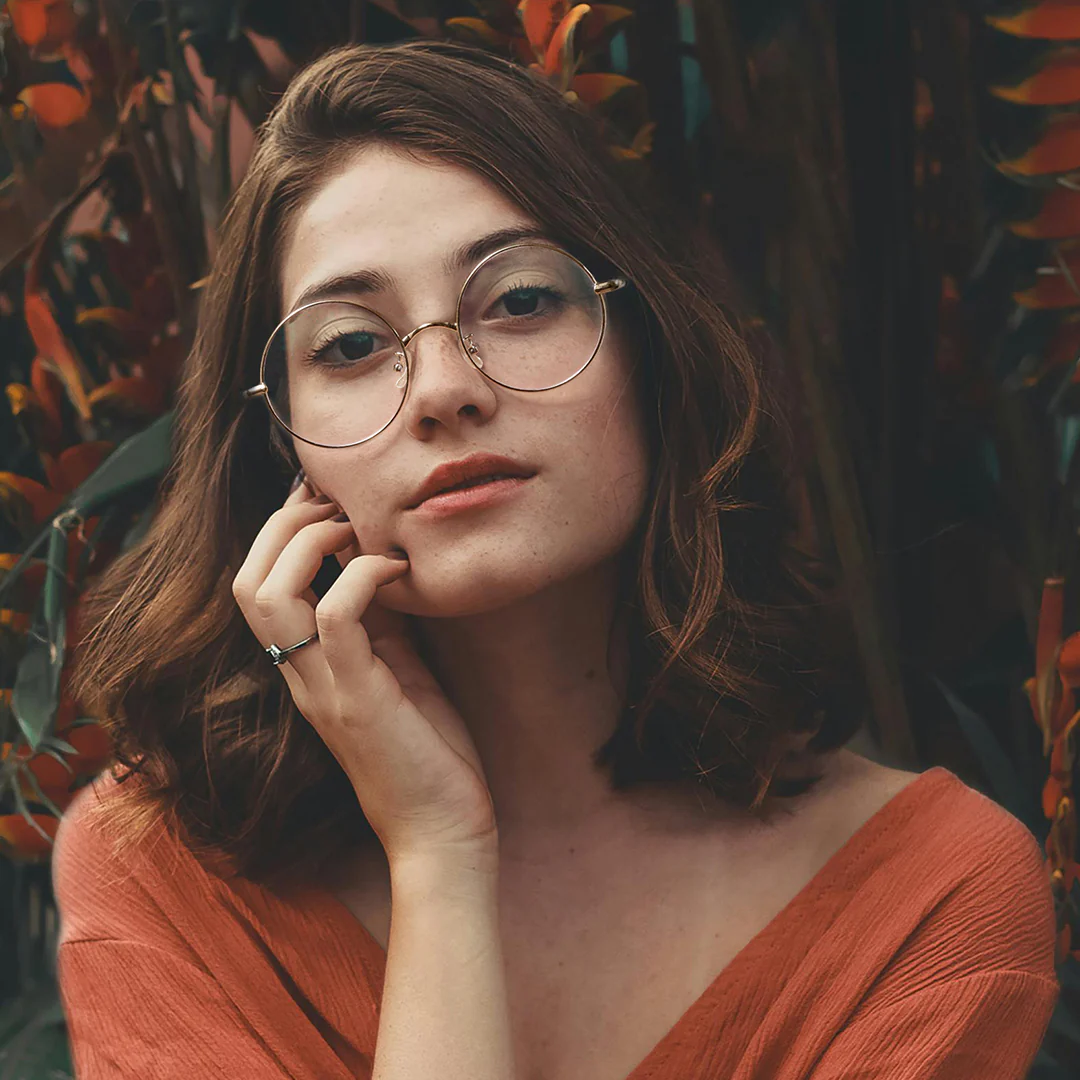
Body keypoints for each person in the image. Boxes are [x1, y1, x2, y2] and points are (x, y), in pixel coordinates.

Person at [50, 38, 1057, 1080]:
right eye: (350, 343)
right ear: (284, 448)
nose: (443, 387)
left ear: (648, 349)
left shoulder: (928, 902)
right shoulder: (162, 882)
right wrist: (440, 857)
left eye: (521, 300)